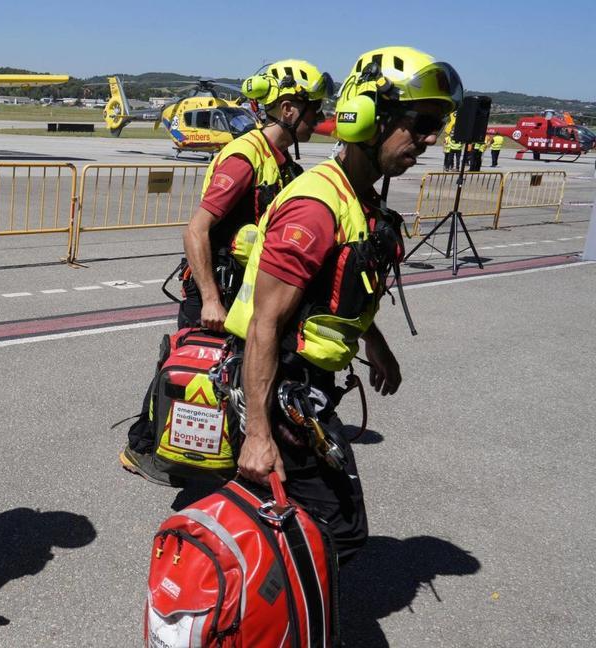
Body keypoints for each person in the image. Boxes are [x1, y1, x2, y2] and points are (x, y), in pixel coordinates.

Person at [224, 46, 461, 564]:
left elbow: (343, 289)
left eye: (436, 127)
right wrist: (259, 435)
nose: (429, 141)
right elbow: (265, 324)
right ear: (371, 119)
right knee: (338, 530)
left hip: (309, 381)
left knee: (314, 524)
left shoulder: (361, 199)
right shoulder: (316, 207)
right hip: (282, 384)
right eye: (420, 124)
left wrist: (376, 345)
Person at [119, 59, 331, 486]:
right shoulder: (245, 158)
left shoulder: (283, 162)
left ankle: (223, 447)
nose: (320, 119)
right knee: (187, 364)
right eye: (314, 110)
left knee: (236, 373)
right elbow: (196, 229)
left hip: (245, 292)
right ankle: (144, 447)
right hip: (215, 291)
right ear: (288, 109)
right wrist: (211, 298)